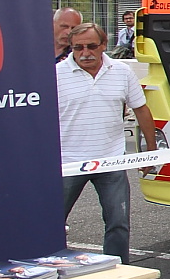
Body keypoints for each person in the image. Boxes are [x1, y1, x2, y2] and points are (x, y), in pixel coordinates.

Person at [58, 22, 158, 263]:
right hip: (67, 163)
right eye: (78, 48)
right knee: (50, 223)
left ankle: (117, 278)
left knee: (118, 223)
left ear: (104, 45)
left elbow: (142, 110)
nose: (85, 53)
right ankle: (49, 274)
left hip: (110, 162)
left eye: (92, 46)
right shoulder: (55, 75)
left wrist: (151, 153)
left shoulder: (122, 72)